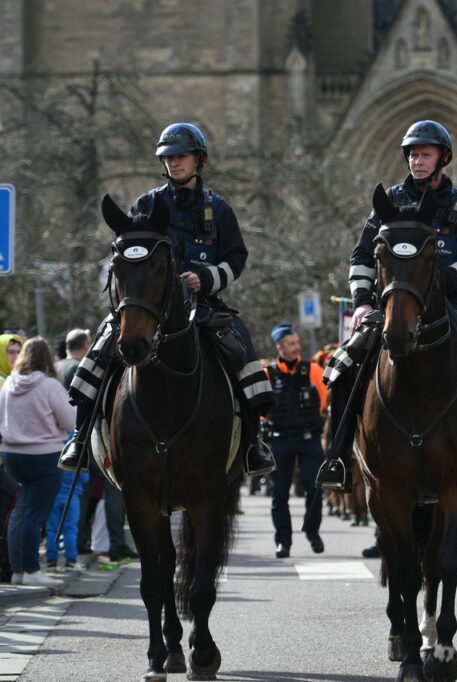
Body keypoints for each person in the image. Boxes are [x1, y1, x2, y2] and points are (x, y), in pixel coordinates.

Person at [320, 120, 457, 496]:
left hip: (455, 303)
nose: (417, 160)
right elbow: (363, 256)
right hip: (394, 303)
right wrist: (363, 303)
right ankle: (337, 457)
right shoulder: (389, 203)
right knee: (342, 366)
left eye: (425, 154)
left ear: (442, 158)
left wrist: (443, 281)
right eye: (413, 154)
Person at [61, 122, 275, 477]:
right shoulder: (147, 203)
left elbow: (236, 258)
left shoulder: (219, 209)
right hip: (149, 305)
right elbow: (129, 253)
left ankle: (254, 444)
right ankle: (80, 438)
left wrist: (205, 278)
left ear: (199, 160)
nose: (174, 163)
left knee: (242, 346)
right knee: (101, 350)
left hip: (202, 305)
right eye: (168, 158)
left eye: (181, 157)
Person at [0, 338, 74, 587]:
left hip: (11, 455)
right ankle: (31, 570)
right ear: (46, 357)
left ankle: (17, 570)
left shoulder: (9, 383)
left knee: (19, 512)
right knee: (34, 514)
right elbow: (69, 421)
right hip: (44, 455)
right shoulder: (50, 386)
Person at [265, 323, 328, 558]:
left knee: (314, 487)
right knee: (279, 493)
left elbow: (323, 401)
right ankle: (283, 541)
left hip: (309, 438)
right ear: (280, 347)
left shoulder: (313, 370)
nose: (296, 347)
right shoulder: (268, 374)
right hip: (280, 440)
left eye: (298, 343)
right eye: (291, 344)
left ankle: (312, 531)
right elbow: (263, 409)